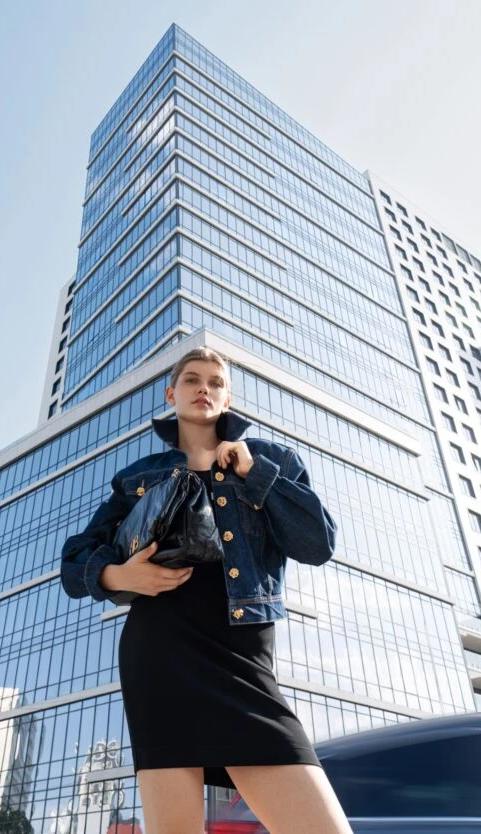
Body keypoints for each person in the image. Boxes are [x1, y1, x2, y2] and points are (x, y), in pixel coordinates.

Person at [61, 346, 353, 834]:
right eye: (192, 380)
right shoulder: (137, 477)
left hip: (242, 654)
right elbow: (75, 560)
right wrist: (118, 577)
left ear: (228, 397)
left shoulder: (272, 460)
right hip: (160, 652)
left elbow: (318, 543)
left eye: (216, 382)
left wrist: (253, 472)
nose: (204, 388)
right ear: (172, 393)